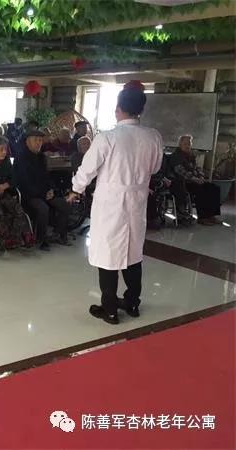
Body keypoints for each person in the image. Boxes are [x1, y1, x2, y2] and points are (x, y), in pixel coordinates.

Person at [67, 81, 163, 325]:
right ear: (140, 109)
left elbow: (87, 169)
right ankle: (132, 302)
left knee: (108, 256)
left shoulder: (107, 138)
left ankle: (109, 309)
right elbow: (155, 168)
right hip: (137, 201)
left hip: (111, 203)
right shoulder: (153, 136)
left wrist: (75, 189)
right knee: (133, 253)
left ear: (119, 108)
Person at [14, 130, 72, 250]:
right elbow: (24, 182)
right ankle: (41, 240)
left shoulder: (41, 157)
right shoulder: (21, 158)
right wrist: (42, 194)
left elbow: (47, 177)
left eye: (40, 140)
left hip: (44, 192)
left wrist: (51, 189)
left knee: (65, 205)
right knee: (43, 208)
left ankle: (58, 234)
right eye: (35, 140)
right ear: (27, 142)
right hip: (29, 194)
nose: (38, 143)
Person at [169, 135, 222, 226]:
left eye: (189, 143)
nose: (187, 146)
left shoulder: (191, 155)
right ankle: (202, 218)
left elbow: (197, 168)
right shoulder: (176, 156)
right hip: (183, 183)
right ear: (180, 144)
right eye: (185, 144)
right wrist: (194, 179)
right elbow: (180, 171)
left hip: (194, 181)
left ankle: (212, 215)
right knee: (201, 190)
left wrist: (201, 176)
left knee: (214, 188)